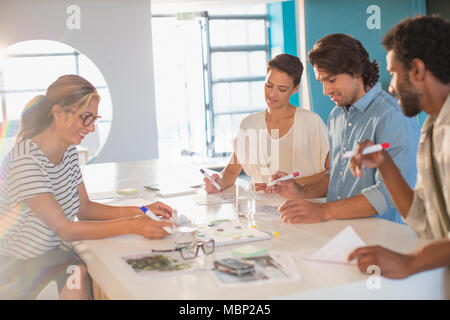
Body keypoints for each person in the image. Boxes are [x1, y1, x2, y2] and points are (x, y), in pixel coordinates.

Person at [0, 75, 173, 299]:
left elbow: (84, 208)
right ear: (58, 113)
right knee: (81, 273)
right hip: (17, 266)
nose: (91, 128)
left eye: (94, 119)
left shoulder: (69, 151)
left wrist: (142, 210)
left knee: (95, 270)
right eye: (85, 118)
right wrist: (132, 225)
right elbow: (65, 229)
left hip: (51, 254)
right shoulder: (26, 161)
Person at [268, 34, 420, 224]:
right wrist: (299, 191)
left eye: (330, 80)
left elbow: (388, 194)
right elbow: (336, 176)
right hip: (340, 231)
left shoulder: (393, 115)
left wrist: (323, 211)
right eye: (321, 81)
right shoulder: (337, 116)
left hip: (383, 238)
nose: (325, 90)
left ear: (357, 71)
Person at [348, 15, 450, 279]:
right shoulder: (432, 129)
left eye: (393, 73)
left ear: (417, 70)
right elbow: (422, 220)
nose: (391, 86)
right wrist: (384, 163)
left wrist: (411, 262)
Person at [203, 54, 329, 193]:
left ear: (295, 89)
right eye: (269, 85)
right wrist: (217, 182)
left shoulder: (311, 123)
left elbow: (331, 173)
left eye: (282, 89)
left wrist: (294, 183)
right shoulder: (249, 124)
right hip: (262, 209)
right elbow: (231, 172)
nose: (272, 94)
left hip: (304, 206)